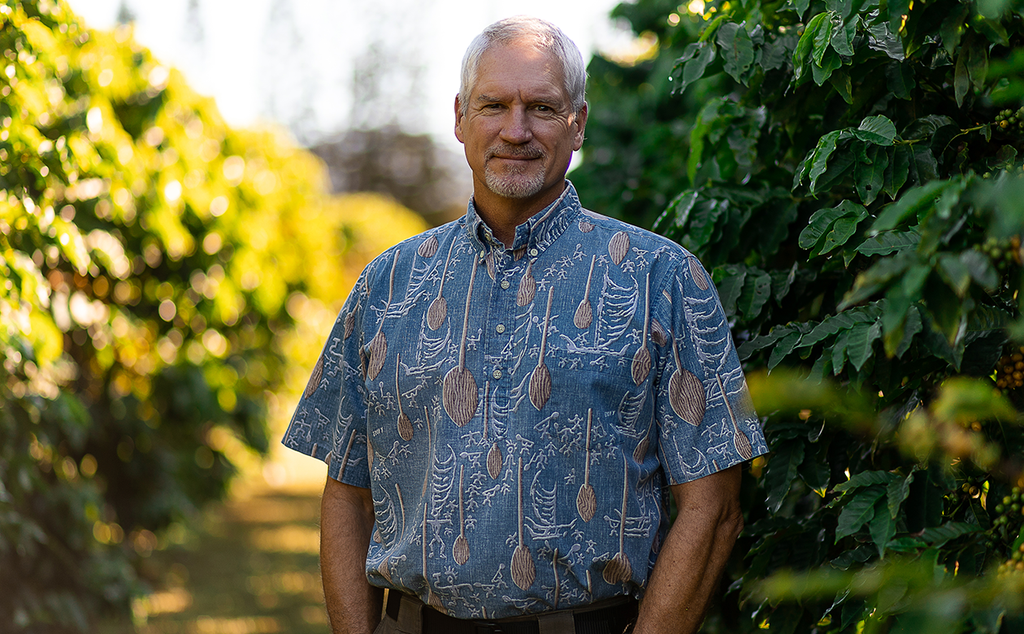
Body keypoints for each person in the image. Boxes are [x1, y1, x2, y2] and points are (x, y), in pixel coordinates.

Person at [282, 15, 768, 634]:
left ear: (579, 123)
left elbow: (715, 507)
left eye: (542, 107)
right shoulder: (387, 284)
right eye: (493, 105)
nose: (516, 130)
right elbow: (347, 493)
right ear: (460, 118)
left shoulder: (662, 280)